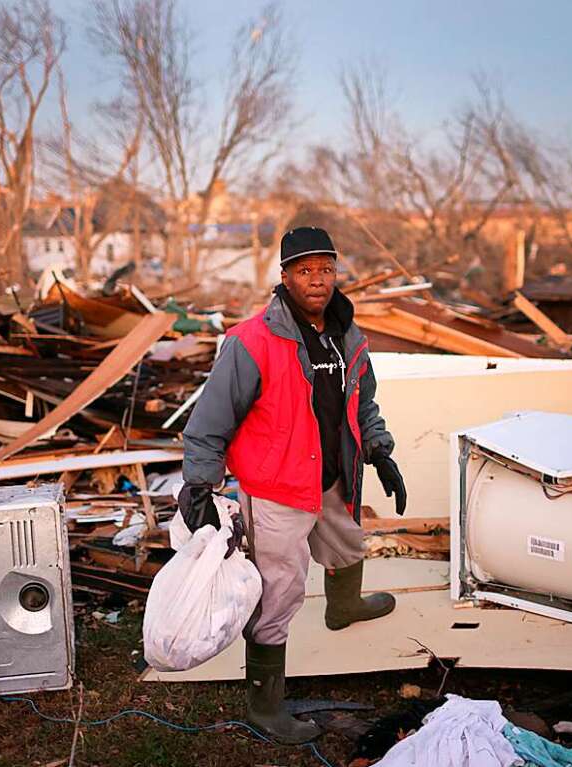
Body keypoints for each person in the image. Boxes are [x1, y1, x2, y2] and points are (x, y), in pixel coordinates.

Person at [180, 226, 407, 744]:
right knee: (278, 594)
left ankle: (344, 606)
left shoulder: (349, 334)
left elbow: (362, 403)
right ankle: (265, 705)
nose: (317, 280)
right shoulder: (251, 341)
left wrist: (380, 451)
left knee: (349, 543)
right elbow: (211, 421)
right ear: (284, 277)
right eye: (305, 270)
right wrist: (199, 484)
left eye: (326, 269)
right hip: (277, 486)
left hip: (331, 476)